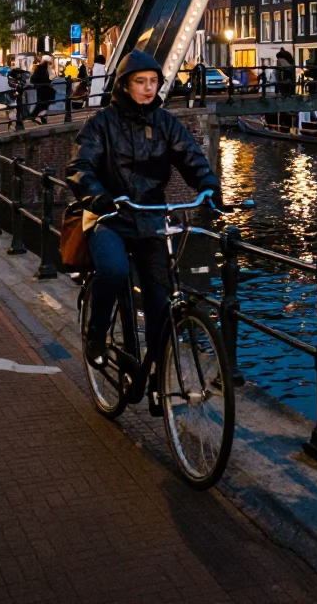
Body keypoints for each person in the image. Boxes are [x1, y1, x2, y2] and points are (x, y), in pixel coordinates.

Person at [66, 49, 220, 411]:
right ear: (125, 84)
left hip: (150, 216)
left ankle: (155, 380)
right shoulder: (102, 123)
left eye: (153, 82)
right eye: (141, 82)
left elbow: (191, 156)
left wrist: (209, 186)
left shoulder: (165, 123)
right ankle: (96, 335)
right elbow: (80, 164)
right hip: (110, 217)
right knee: (114, 270)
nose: (149, 89)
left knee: (160, 301)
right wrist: (98, 197)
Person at [29, 56, 55, 124]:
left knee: (43, 103)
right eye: (49, 63)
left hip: (41, 88)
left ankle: (40, 116)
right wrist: (49, 81)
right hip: (41, 88)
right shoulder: (42, 69)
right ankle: (37, 115)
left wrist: (49, 81)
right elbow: (40, 79)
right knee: (44, 102)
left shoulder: (41, 69)